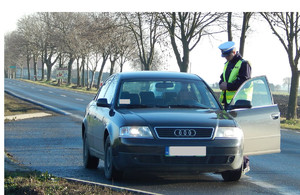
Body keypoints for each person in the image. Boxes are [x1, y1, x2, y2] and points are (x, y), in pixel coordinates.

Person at [218, 41, 251, 174]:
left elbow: (245, 82)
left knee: (241, 136)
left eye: (227, 55)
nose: (225, 58)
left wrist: (228, 86)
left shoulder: (244, 64)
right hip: (228, 105)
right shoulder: (227, 64)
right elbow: (222, 78)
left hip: (240, 105)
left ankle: (244, 164)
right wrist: (221, 83)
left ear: (233, 52)